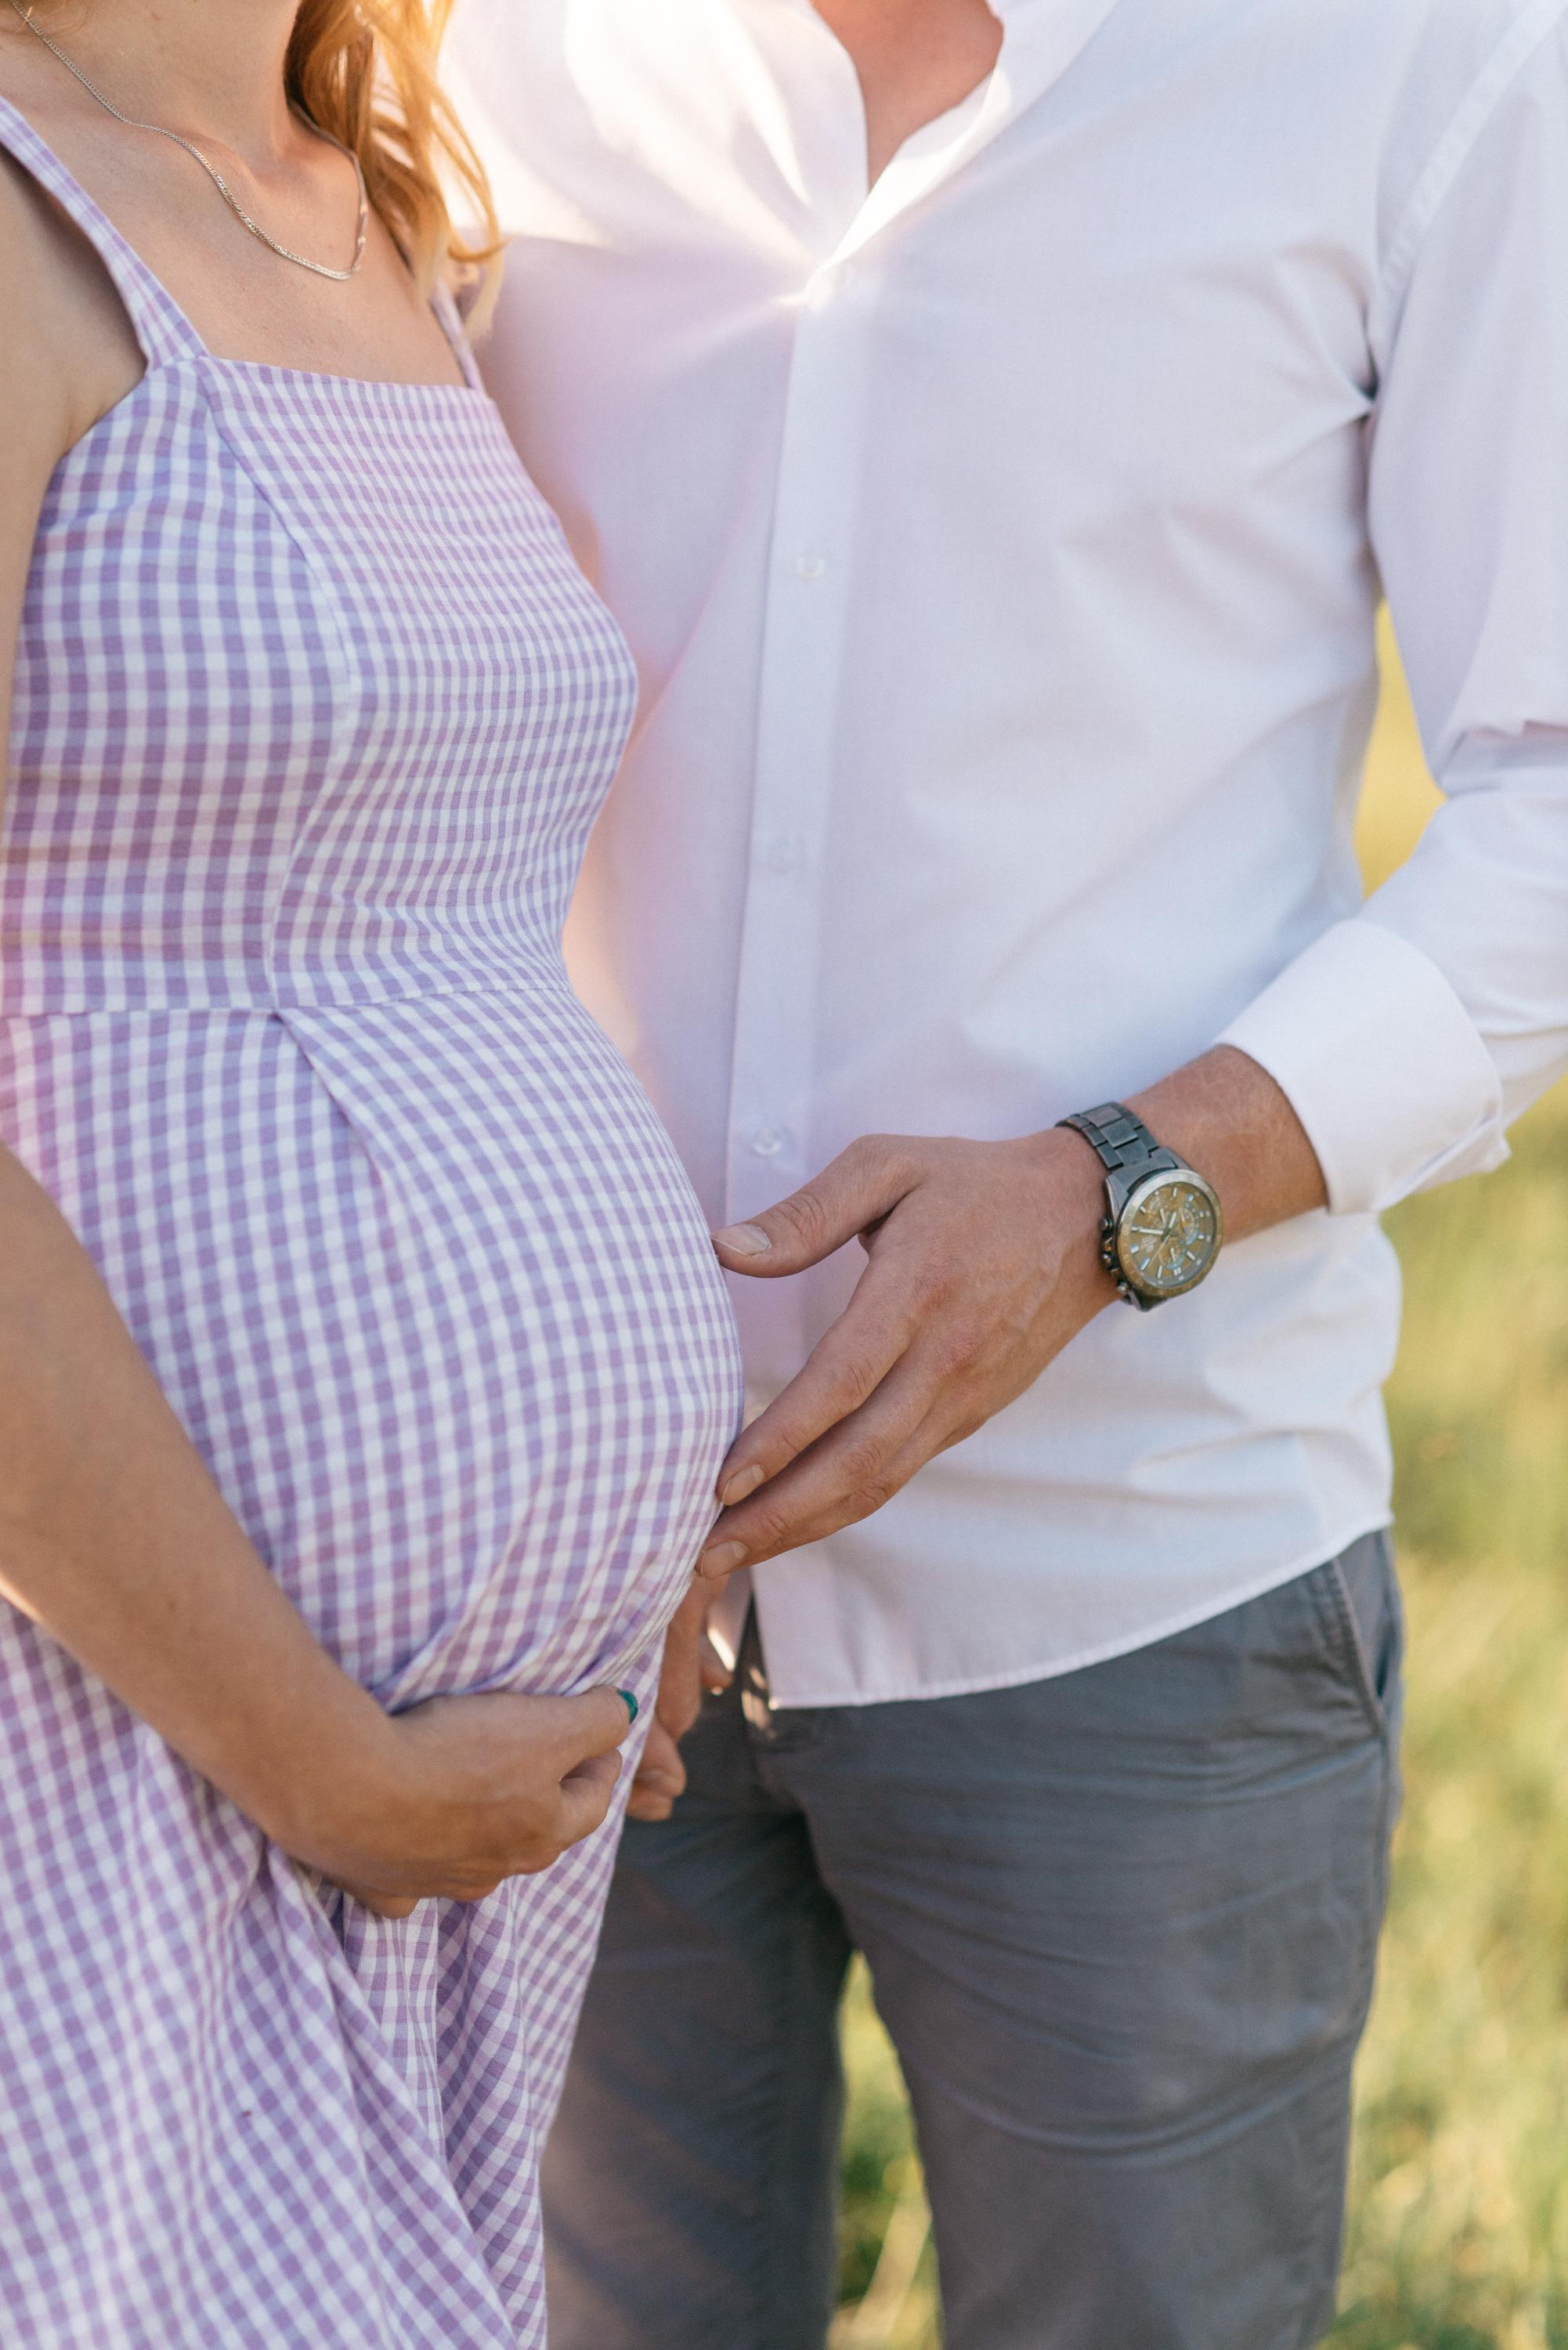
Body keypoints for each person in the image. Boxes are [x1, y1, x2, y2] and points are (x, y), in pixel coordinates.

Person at [446, 0, 1568, 2344]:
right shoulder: (475, 43)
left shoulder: (1429, 53)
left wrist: (1110, 1194)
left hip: (1136, 1578)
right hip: (547, 1583)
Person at [0, 2, 742, 2343]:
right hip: (142, 1699)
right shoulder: (25, 214)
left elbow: (445, 933)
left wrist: (606, 1518)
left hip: (440, 1795)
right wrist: (307, 1750)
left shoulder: (392, 203)